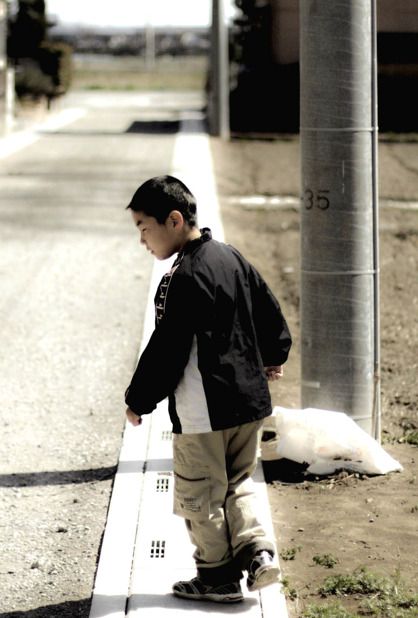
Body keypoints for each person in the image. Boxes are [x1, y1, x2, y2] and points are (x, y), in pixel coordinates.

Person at [124, 175, 292, 603]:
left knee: (200, 493)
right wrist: (275, 354)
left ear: (174, 220)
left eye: (144, 228)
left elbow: (168, 348)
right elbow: (267, 307)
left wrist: (139, 399)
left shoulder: (183, 277)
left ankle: (217, 577)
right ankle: (257, 553)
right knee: (238, 482)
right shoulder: (230, 257)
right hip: (249, 404)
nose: (142, 240)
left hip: (204, 413)